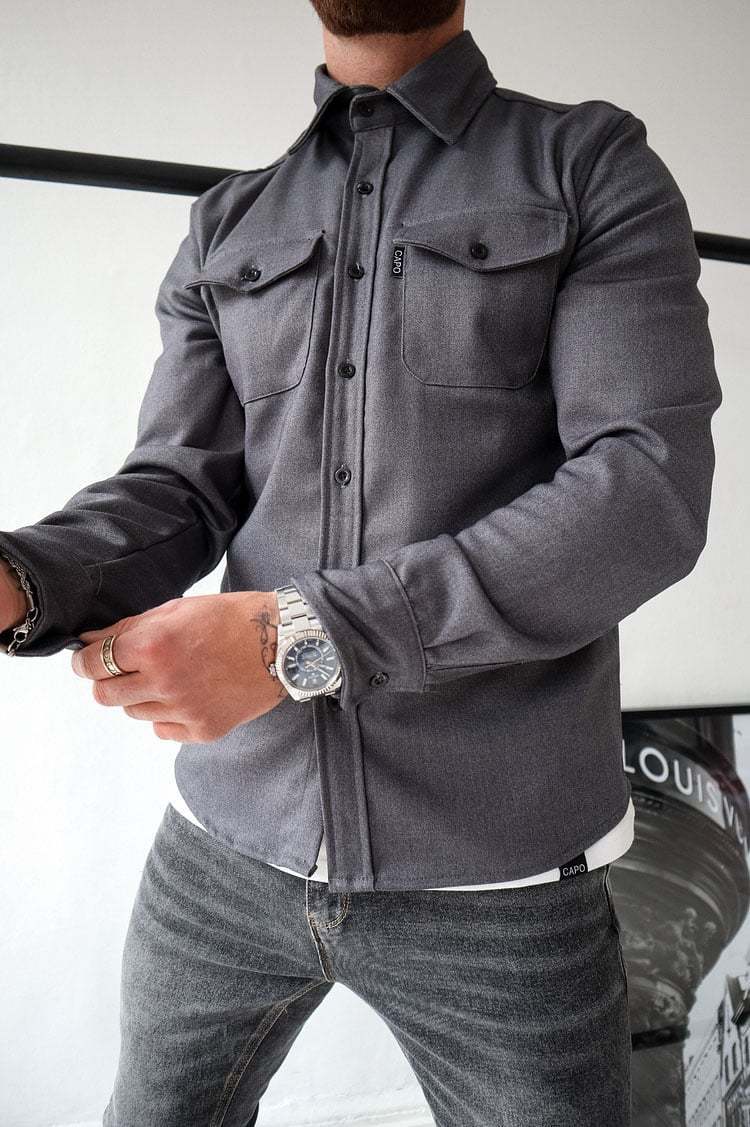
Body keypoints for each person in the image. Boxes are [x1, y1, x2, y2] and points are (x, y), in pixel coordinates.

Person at [0, 0, 722, 1123]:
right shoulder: (228, 220)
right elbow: (182, 484)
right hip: (225, 849)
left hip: (501, 874)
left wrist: (296, 639)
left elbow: (644, 493)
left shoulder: (588, 164)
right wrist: (25, 576)